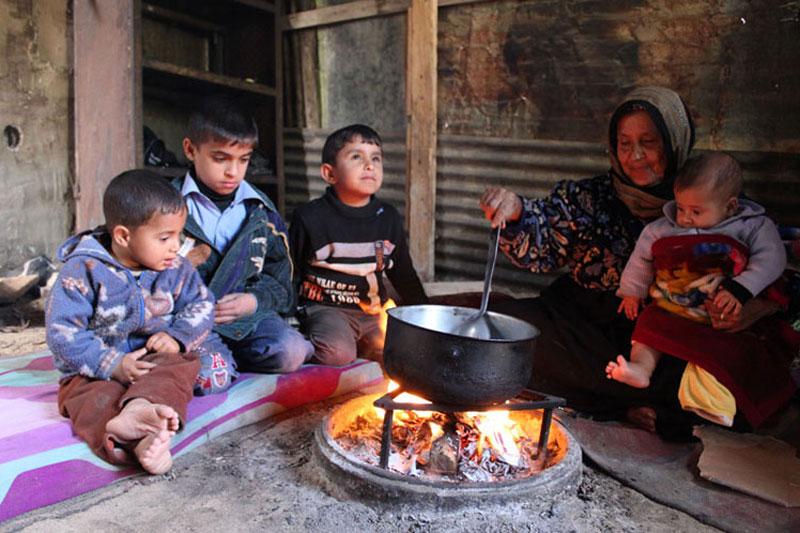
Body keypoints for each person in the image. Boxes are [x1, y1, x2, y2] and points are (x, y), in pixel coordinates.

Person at [479, 87, 798, 438]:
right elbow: (542, 237)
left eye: (649, 142)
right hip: (585, 326)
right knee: (505, 336)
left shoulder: (719, 204)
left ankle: (626, 403)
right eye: (625, 143)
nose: (636, 156)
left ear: (675, 143)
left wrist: (755, 307)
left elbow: (778, 265)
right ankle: (637, 407)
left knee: (728, 384)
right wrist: (516, 211)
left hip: (676, 332)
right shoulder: (591, 198)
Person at [46, 170, 235, 474]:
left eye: (179, 235)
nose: (176, 247)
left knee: (180, 366)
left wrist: (176, 337)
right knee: (88, 398)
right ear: (123, 236)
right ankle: (136, 442)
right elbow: (62, 334)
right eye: (164, 238)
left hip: (153, 361)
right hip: (95, 370)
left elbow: (202, 304)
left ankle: (141, 411)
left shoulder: (176, 267)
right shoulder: (82, 271)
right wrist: (112, 364)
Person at [607, 152, 786, 390]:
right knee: (648, 326)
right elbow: (641, 257)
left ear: (730, 207)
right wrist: (633, 291)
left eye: (696, 212)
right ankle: (640, 367)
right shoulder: (662, 228)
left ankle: (713, 396)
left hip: (720, 310)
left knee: (730, 352)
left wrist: (742, 288)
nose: (685, 219)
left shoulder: (752, 227)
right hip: (672, 306)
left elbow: (772, 258)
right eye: (680, 208)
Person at [175, 94, 314, 375]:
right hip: (188, 322)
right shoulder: (166, 206)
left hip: (247, 319)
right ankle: (216, 362)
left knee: (290, 352)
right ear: (190, 150)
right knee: (208, 375)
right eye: (220, 158)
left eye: (244, 160)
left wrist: (254, 301)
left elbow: (282, 285)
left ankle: (226, 359)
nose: (233, 172)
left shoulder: (261, 211)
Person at [289, 124, 428, 366]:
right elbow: (291, 272)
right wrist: (287, 316)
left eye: (376, 158)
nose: (369, 165)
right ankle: (309, 339)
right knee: (338, 354)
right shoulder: (310, 218)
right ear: (330, 174)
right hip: (326, 309)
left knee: (404, 353)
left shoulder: (388, 217)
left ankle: (361, 344)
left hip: (373, 312)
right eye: (356, 157)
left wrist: (427, 314)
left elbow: (403, 274)